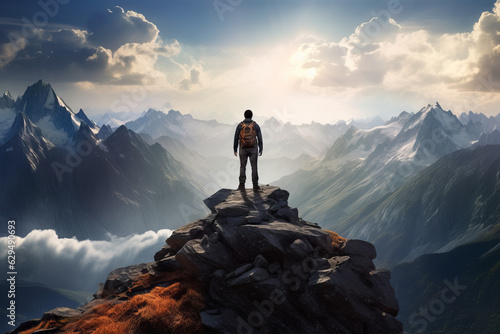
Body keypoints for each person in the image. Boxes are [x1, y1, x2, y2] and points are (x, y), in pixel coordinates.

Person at [233, 109, 263, 190]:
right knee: (254, 167)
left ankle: (241, 185)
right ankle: (255, 185)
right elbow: (260, 137)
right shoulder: (255, 125)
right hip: (253, 148)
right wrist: (261, 148)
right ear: (252, 116)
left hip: (243, 149)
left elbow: (236, 137)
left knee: (242, 167)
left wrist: (235, 149)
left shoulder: (240, 125)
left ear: (244, 116)